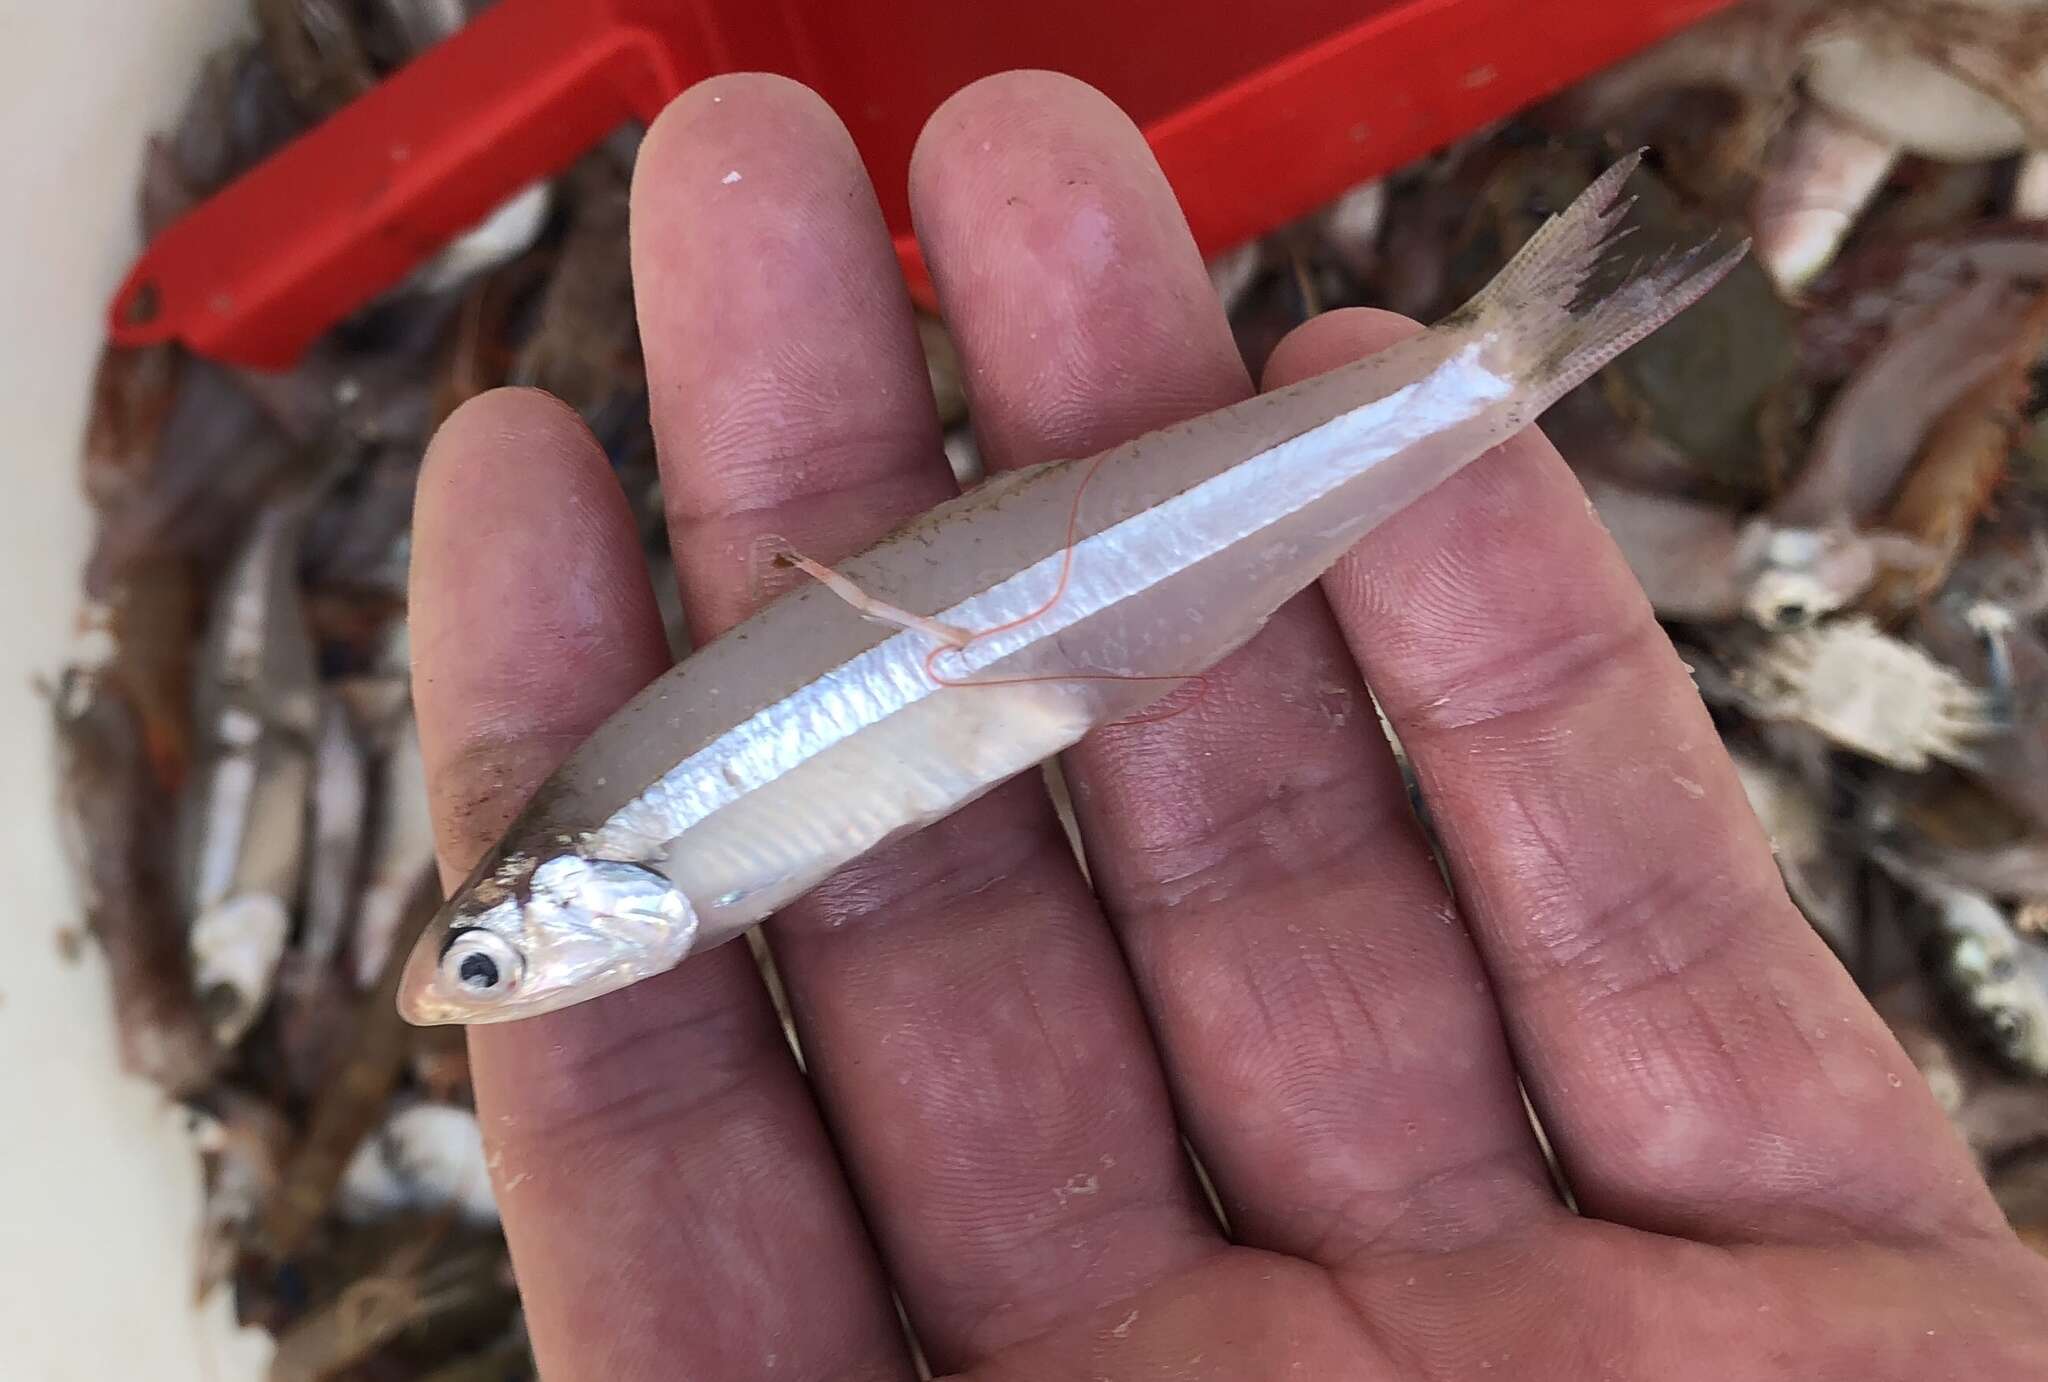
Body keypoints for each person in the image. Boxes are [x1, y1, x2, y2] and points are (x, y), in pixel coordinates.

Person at [409, 70, 2048, 1380]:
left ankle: (1493, 364)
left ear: (566, 891)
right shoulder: (637, 843)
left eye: (501, 963)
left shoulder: (637, 843)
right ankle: (1497, 361)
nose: (510, 992)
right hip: (1023, 652)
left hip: (1041, 633)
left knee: (1347, 430)